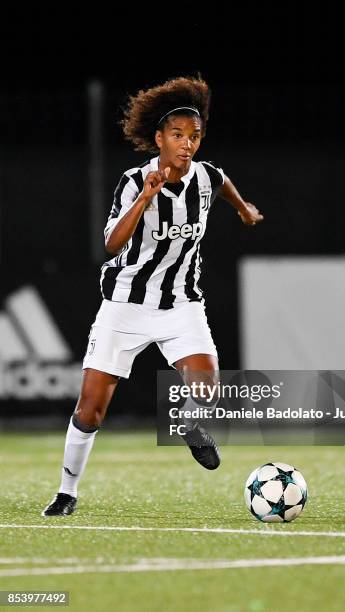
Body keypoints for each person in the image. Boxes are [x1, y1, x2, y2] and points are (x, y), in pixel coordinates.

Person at [42, 75, 264, 516]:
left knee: (207, 387)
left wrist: (243, 209)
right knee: (91, 410)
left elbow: (222, 182)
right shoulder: (133, 180)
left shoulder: (206, 176)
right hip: (125, 305)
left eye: (194, 136)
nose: (187, 144)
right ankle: (67, 491)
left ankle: (188, 423)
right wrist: (144, 198)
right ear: (159, 138)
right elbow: (111, 244)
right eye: (178, 135)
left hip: (181, 304)